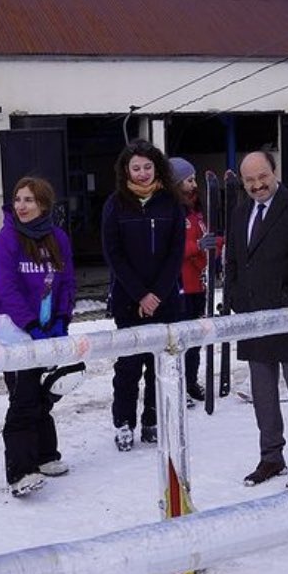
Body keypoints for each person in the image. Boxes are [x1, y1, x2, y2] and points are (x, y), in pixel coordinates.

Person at [224, 150, 288, 489]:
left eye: (262, 177)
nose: (257, 185)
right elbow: (236, 264)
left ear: (274, 171)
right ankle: (271, 456)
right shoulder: (240, 213)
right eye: (250, 180)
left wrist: (286, 305)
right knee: (263, 396)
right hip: (254, 322)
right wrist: (238, 301)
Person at [0, 176, 76, 497]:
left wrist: (62, 319)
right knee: (23, 399)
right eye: (18, 199)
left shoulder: (57, 239)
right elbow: (6, 289)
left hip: (49, 330)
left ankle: (45, 455)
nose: (21, 206)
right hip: (16, 334)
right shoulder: (5, 241)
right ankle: (20, 471)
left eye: (29, 200)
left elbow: (67, 282)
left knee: (43, 392)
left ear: (43, 204)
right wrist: (31, 326)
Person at [102, 139, 185, 452]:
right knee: (129, 366)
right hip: (128, 299)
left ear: (157, 168)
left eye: (147, 167)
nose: (142, 173)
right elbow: (114, 254)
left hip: (165, 300)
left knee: (159, 364)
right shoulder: (115, 204)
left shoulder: (171, 203)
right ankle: (124, 422)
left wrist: (157, 294)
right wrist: (140, 295)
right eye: (135, 167)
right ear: (126, 170)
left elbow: (176, 253)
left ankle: (152, 418)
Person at [169, 156, 220, 405]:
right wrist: (197, 246)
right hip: (180, 286)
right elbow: (174, 246)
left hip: (199, 284)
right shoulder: (173, 212)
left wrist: (216, 245)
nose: (193, 184)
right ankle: (176, 384)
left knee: (196, 338)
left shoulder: (198, 211)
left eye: (193, 179)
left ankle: (190, 381)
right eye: (188, 180)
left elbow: (209, 240)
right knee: (180, 339)